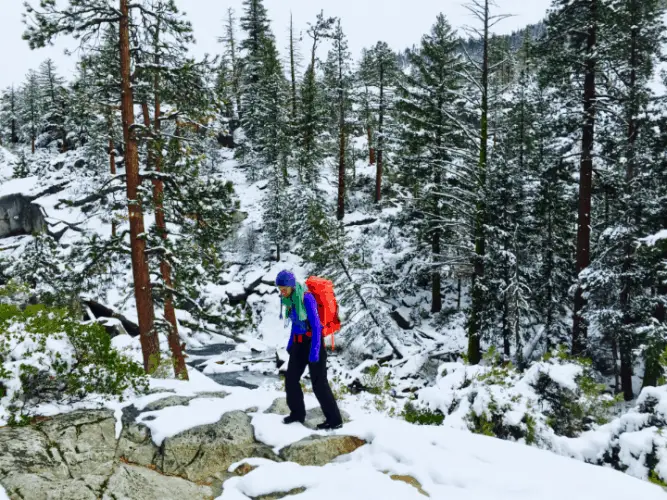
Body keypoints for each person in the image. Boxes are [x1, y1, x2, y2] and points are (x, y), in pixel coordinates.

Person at [276, 270, 343, 430]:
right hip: (299, 344)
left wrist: (314, 351)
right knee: (291, 379)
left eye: (284, 288)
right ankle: (297, 414)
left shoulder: (307, 298)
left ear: (291, 286)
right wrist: (291, 343)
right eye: (280, 288)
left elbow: (316, 327)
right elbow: (296, 323)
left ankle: (335, 421)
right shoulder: (290, 300)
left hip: (314, 343)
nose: (282, 291)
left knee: (319, 384)